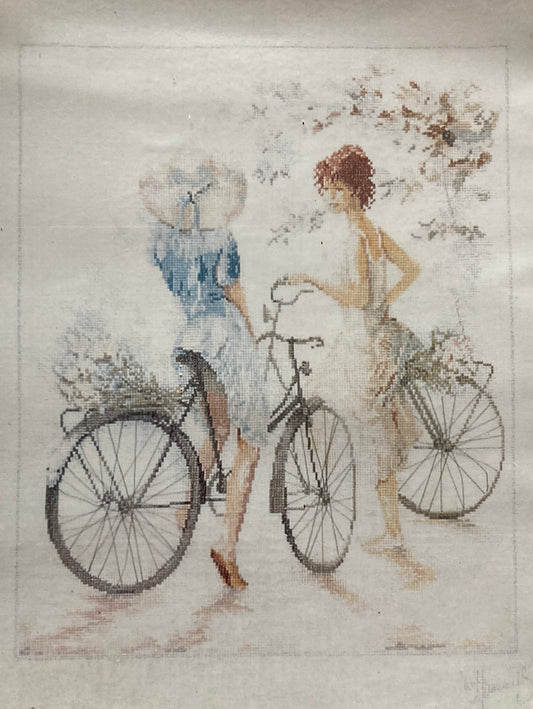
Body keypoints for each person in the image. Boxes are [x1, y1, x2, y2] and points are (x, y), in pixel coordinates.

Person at [140, 155, 267, 588]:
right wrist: (252, 334)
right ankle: (227, 546)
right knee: (250, 441)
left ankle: (184, 508)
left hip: (193, 336)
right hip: (226, 337)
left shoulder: (163, 242)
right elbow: (233, 290)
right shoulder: (221, 236)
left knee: (219, 427)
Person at [287, 145, 421, 553]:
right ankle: (385, 526)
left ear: (356, 191)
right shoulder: (373, 232)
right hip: (369, 336)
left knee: (342, 420)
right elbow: (410, 270)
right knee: (357, 427)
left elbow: (360, 297)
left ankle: (386, 529)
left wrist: (315, 282)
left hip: (361, 345)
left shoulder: (355, 237)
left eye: (339, 189)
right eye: (328, 188)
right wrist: (386, 303)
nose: (331, 197)